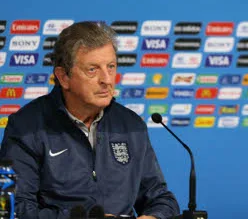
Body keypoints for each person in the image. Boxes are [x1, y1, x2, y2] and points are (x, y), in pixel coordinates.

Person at [0, 22, 180, 219]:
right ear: (63, 77)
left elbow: (161, 199)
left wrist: (154, 217)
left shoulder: (131, 125)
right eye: (92, 69)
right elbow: (16, 209)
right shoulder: (27, 127)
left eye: (111, 67)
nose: (107, 79)